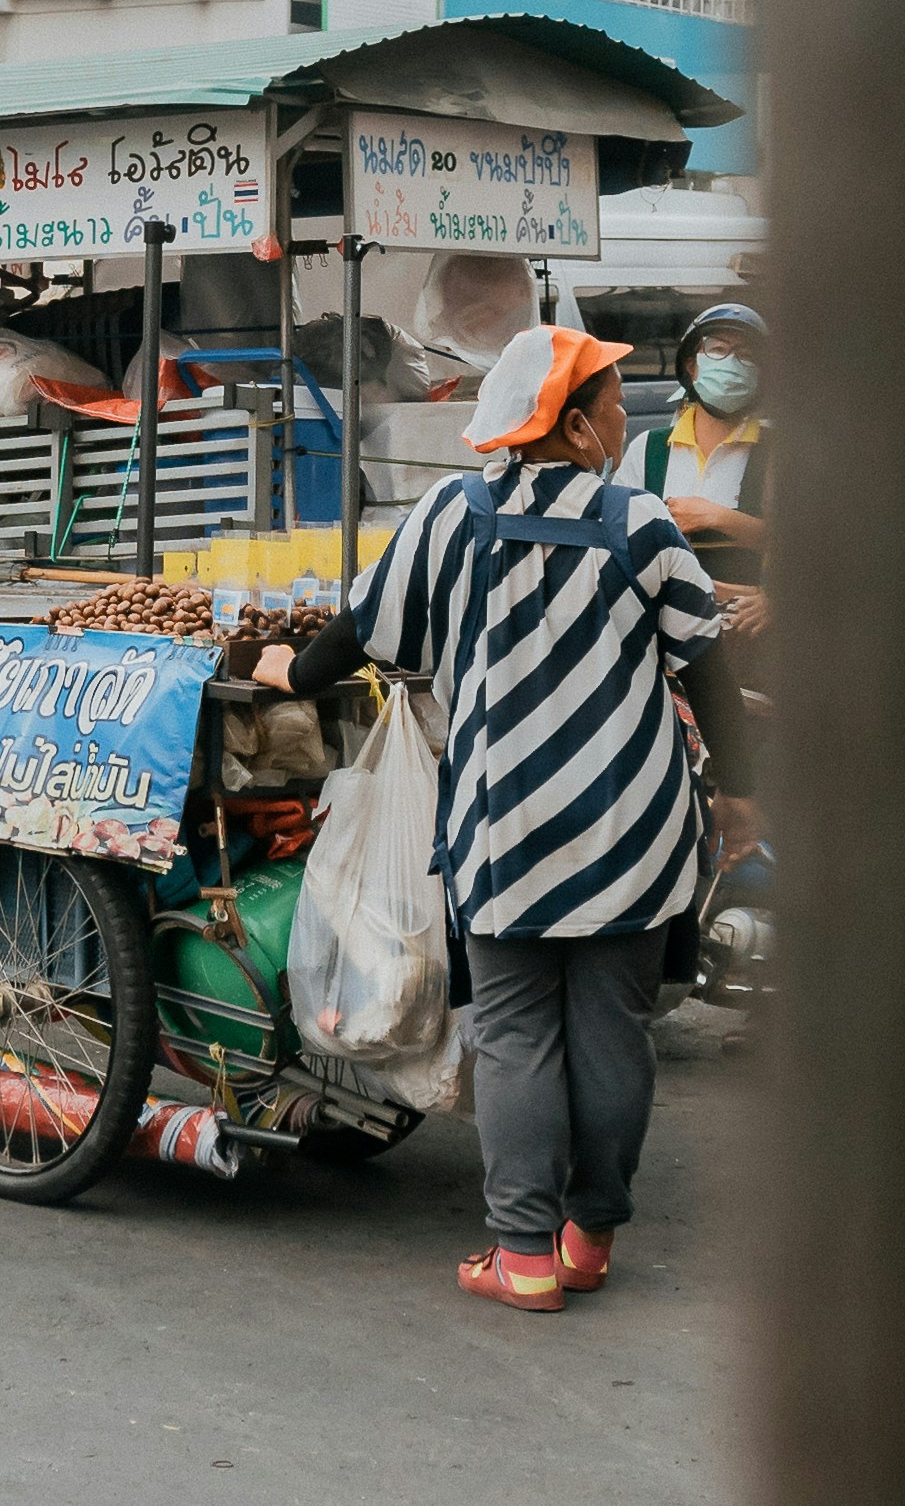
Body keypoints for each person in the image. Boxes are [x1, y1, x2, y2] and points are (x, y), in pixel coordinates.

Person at [264, 322, 759, 1313]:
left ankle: (523, 1252)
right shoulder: (641, 522)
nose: (626, 415)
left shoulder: (452, 511)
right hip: (632, 823)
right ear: (575, 426)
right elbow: (709, 658)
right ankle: (588, 1235)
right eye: (616, 401)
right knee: (612, 1029)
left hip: (505, 822)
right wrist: (738, 795)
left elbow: (364, 627)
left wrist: (289, 670)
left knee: (519, 1029)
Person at [620, 297, 770, 593]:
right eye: (717, 350)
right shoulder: (649, 448)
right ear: (691, 365)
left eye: (746, 354)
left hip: (744, 629)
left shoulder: (778, 450)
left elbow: (810, 547)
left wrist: (721, 518)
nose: (730, 363)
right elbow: (620, 540)